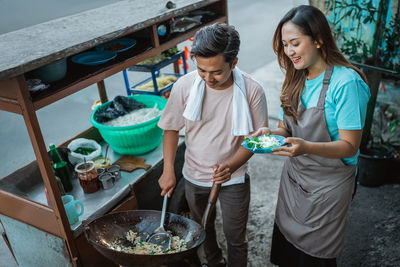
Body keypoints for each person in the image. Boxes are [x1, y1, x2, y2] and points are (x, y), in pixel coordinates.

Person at [251, 5, 371, 267]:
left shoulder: (346, 83)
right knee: (288, 255)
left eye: (295, 43)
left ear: (318, 40)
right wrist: (271, 132)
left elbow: (350, 147)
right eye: (284, 45)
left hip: (328, 188)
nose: (289, 51)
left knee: (314, 259)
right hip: (294, 181)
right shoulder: (296, 76)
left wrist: (305, 147)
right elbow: (288, 128)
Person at [157, 23, 268, 267]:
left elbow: (257, 139)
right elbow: (171, 129)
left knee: (236, 237)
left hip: (234, 178)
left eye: (217, 72)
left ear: (234, 62)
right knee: (201, 230)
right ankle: (214, 262)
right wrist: (168, 170)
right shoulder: (184, 86)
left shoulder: (252, 90)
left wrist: (231, 165)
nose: (208, 78)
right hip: (194, 174)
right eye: (202, 70)